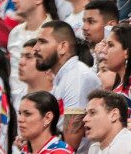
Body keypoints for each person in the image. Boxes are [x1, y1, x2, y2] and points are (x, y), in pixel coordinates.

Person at [33, 20, 102, 152]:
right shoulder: (64, 77)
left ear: (63, 47)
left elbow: (71, 143)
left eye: (42, 42)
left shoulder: (77, 77)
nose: (35, 48)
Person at [84, 90, 131, 154]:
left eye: (92, 113)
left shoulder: (126, 144)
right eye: (86, 114)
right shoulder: (94, 148)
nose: (85, 119)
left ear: (113, 115)